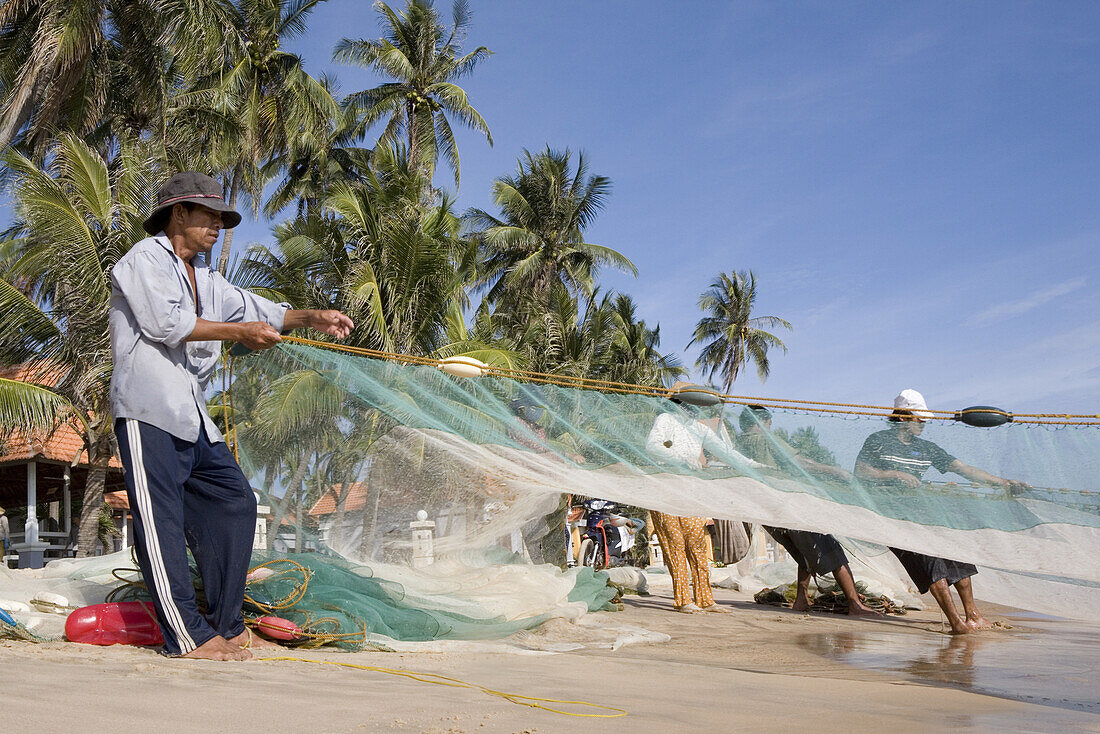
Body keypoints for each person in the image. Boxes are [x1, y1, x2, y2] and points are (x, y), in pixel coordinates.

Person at [110, 172, 353, 661]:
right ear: (179, 214)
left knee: (236, 500)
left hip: (193, 418)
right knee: (162, 526)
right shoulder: (144, 261)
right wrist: (238, 333)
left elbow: (258, 308)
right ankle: (187, 636)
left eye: (222, 219)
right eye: (209, 217)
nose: (218, 226)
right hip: (147, 412)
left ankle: (226, 624)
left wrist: (312, 317)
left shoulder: (207, 278)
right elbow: (167, 324)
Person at [854, 389, 1028, 634]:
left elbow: (963, 469)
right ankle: (956, 623)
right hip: (891, 517)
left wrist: (1002, 482)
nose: (924, 423)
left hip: (922, 512)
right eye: (919, 418)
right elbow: (861, 473)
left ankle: (973, 616)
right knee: (931, 562)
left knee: (956, 555)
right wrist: (894, 474)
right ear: (903, 417)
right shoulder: (878, 440)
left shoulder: (927, 448)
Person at [736, 406, 880, 616]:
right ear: (764, 422)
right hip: (788, 505)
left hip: (768, 512)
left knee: (805, 553)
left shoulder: (740, 445)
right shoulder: (766, 440)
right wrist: (835, 471)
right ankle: (854, 603)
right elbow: (798, 463)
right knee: (830, 547)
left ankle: (801, 599)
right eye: (769, 423)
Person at [644, 384, 762, 613]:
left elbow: (727, 452)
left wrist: (754, 466)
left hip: (690, 490)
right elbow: (652, 446)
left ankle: (706, 599)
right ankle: (683, 601)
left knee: (697, 544)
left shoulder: (698, 428)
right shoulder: (666, 420)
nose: (695, 410)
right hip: (664, 488)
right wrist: (679, 458)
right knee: (674, 543)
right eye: (692, 405)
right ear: (681, 403)